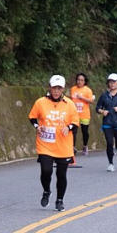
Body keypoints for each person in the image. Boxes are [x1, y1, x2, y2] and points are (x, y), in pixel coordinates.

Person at [28, 75, 78, 211]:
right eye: (54, 88)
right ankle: (46, 191)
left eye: (59, 88)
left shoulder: (69, 104)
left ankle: (60, 200)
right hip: (45, 144)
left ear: (63, 89)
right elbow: (32, 117)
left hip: (63, 146)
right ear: (49, 88)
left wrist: (68, 128)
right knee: (46, 170)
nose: (56, 91)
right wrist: (38, 127)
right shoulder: (40, 102)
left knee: (61, 174)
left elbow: (75, 123)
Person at [96, 73, 117, 172]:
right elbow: (97, 108)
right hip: (108, 123)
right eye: (110, 82)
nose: (112, 84)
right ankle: (110, 163)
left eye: (114, 82)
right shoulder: (104, 95)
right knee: (110, 143)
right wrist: (103, 111)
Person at [69, 73, 95, 159]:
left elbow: (91, 101)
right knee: (73, 131)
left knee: (85, 131)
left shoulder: (88, 90)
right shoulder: (73, 89)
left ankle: (85, 146)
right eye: (78, 80)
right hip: (74, 114)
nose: (79, 81)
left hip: (84, 114)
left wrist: (82, 98)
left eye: (81, 80)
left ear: (85, 81)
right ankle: (72, 147)